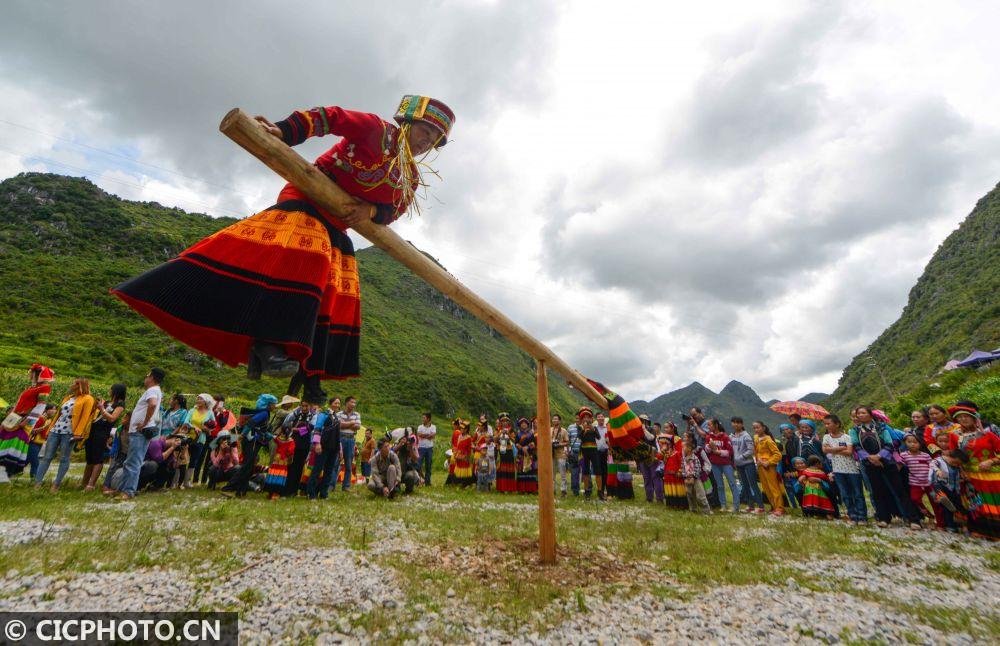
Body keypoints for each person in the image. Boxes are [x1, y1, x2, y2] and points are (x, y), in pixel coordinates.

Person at [113, 96, 455, 405]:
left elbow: (395, 210)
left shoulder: (410, 176)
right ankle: (267, 343)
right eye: (424, 131)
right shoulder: (376, 130)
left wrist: (372, 211)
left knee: (340, 291)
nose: (426, 142)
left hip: (336, 226)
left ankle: (310, 374)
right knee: (309, 261)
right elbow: (329, 117)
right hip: (305, 202)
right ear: (407, 122)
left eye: (433, 140)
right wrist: (284, 131)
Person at [850, 406, 918, 528]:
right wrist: (870, 458)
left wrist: (879, 456)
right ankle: (884, 518)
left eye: (863, 413)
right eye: (858, 413)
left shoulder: (881, 427)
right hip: (869, 463)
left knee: (899, 489)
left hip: (887, 461)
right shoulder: (855, 430)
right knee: (877, 491)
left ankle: (913, 519)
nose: (860, 415)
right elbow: (856, 446)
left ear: (870, 414)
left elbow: (889, 443)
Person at [947, 402, 1000, 539]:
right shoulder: (954, 436)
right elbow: (954, 456)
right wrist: (960, 470)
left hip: (991, 476)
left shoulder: (988, 435)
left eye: (966, 416)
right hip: (969, 476)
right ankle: (982, 531)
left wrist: (991, 461)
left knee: (994, 502)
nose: (963, 419)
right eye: (960, 417)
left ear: (974, 418)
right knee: (977, 504)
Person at [34, 378, 96, 492]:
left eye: (74, 383)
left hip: (69, 432)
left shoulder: (88, 399)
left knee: (64, 458)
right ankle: (37, 483)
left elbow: (85, 417)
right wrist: (49, 429)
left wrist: (78, 434)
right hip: (56, 430)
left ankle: (56, 485)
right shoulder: (68, 397)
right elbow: (58, 414)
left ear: (80, 385)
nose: (72, 385)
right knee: (46, 457)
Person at [0, 364, 55, 482]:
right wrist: (7, 421)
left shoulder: (45, 388)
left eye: (32, 373)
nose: (30, 374)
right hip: (15, 418)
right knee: (4, 442)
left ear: (38, 375)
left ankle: (7, 474)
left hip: (24, 421)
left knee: (12, 446)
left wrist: (25, 422)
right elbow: (18, 405)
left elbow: (40, 407)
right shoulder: (32, 388)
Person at [116, 368, 164, 500]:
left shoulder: (152, 390)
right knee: (130, 462)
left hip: (140, 432)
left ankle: (128, 491)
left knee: (133, 462)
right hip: (139, 432)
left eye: (147, 375)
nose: (145, 378)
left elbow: (152, 404)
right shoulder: (156, 390)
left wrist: (145, 422)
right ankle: (122, 488)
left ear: (152, 377)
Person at [229, 394, 278, 497]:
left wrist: (272, 436)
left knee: (249, 466)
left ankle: (242, 490)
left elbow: (261, 429)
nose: (275, 406)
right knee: (247, 465)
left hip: (253, 441)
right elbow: (250, 423)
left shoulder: (265, 413)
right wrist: (242, 435)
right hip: (252, 441)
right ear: (268, 404)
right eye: (274, 404)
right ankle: (233, 487)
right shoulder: (264, 413)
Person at [822, 414, 866, 525]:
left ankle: (862, 517)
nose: (826, 426)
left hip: (852, 469)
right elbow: (825, 450)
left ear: (837, 424)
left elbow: (849, 452)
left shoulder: (847, 437)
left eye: (828, 423)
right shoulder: (826, 437)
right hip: (837, 470)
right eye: (825, 424)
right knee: (845, 494)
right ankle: (852, 516)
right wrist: (841, 448)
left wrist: (832, 449)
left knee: (857, 493)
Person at [82, 384, 126, 492]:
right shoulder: (106, 402)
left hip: (102, 432)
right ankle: (84, 483)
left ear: (116, 391)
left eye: (111, 389)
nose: (109, 390)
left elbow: (112, 418)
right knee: (90, 458)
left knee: (98, 458)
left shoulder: (120, 405)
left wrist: (102, 409)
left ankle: (91, 485)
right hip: (92, 430)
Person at [178, 394, 216, 488]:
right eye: (197, 399)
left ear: (206, 401)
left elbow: (213, 426)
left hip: (200, 439)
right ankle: (178, 481)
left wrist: (206, 429)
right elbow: (186, 422)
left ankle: (187, 482)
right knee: (183, 458)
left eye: (200, 399)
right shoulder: (192, 410)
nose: (198, 400)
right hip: (188, 437)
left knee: (194, 460)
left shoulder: (210, 413)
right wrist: (194, 427)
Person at [305, 401, 341, 499]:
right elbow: (317, 429)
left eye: (338, 403)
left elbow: (338, 433)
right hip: (323, 446)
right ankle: (311, 493)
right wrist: (317, 443)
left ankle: (323, 493)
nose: (337, 405)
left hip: (333, 447)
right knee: (317, 469)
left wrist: (339, 448)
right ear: (330, 404)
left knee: (329, 471)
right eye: (335, 403)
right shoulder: (323, 415)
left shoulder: (336, 417)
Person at [705, 418, 740, 512]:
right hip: (714, 464)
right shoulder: (709, 437)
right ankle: (723, 505)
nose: (708, 427)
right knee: (719, 485)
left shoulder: (725, 437)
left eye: (709, 425)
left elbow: (730, 452)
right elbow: (707, 450)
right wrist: (709, 446)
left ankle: (736, 506)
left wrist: (719, 452)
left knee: (732, 484)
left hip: (726, 464)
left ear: (716, 425)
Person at [899, 433, 935, 523]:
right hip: (915, 483)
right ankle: (929, 515)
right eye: (909, 442)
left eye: (915, 442)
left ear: (920, 443)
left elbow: (933, 466)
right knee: (915, 500)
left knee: (935, 501)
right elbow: (899, 465)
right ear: (905, 443)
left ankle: (940, 522)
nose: (912, 444)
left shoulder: (926, 455)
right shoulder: (904, 455)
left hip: (929, 483)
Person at [282, 400, 314, 497]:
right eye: (302, 406)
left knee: (299, 467)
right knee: (290, 466)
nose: (304, 408)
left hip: (304, 445)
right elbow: (285, 424)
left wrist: (296, 430)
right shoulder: (295, 414)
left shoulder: (313, 416)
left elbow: (310, 428)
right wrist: (292, 429)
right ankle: (287, 489)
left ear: (310, 406)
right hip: (292, 444)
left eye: (306, 406)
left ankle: (294, 490)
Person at [731, 417, 763, 513]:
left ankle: (761, 507)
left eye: (738, 423)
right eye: (734, 422)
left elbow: (751, 450)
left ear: (742, 424)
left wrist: (740, 457)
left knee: (753, 484)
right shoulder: (731, 436)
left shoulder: (746, 436)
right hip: (738, 465)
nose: (736, 424)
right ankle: (750, 506)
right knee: (744, 485)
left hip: (748, 464)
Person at [753, 422, 785, 516]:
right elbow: (756, 451)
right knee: (766, 487)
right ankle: (773, 507)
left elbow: (778, 454)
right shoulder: (756, 438)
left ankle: (779, 508)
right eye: (754, 428)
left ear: (763, 428)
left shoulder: (768, 440)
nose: (756, 430)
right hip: (760, 466)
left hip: (769, 467)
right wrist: (757, 460)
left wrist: (768, 462)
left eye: (758, 427)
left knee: (773, 487)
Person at [336, 396, 361, 491]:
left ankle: (346, 486)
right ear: (346, 403)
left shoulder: (357, 414)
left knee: (349, 464)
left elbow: (358, 427)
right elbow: (339, 425)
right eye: (352, 402)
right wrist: (352, 423)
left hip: (351, 440)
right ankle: (331, 485)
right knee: (336, 462)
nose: (353, 404)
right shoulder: (339, 414)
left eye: (354, 402)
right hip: (340, 439)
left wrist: (345, 424)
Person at [682, 433, 711, 515]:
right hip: (687, 479)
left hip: (696, 479)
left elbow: (698, 468)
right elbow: (683, 468)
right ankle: (693, 509)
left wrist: (693, 477)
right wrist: (685, 477)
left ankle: (705, 510)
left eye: (684, 447)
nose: (683, 449)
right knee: (689, 494)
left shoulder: (695, 458)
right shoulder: (684, 459)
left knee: (700, 495)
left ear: (689, 448)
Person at [636, 414, 662, 503]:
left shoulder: (651, 429)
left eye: (642, 420)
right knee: (646, 478)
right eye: (639, 420)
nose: (640, 422)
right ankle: (649, 498)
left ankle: (659, 498)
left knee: (655, 477)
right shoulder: (637, 431)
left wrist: (644, 429)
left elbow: (651, 438)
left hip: (652, 455)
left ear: (646, 421)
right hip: (642, 456)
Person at [26, 405, 57, 480]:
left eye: (55, 410)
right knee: (35, 463)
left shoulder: (49, 419)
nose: (54, 411)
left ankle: (10, 473)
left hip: (40, 443)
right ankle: (34, 480)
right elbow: (32, 431)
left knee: (26, 461)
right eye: (52, 409)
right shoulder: (41, 418)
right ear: (46, 410)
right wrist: (44, 427)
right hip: (33, 443)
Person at [578, 412, 602, 500]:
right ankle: (587, 491)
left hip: (594, 451)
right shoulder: (581, 428)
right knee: (586, 471)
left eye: (588, 417)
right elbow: (579, 437)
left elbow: (598, 437)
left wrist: (593, 429)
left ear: (591, 419)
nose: (586, 419)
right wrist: (584, 430)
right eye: (584, 417)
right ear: (582, 419)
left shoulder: (594, 427)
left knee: (598, 471)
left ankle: (600, 492)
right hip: (584, 451)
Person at [661, 435, 686, 509]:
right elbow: (659, 457)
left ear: (671, 444)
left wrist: (680, 471)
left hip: (676, 475)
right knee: (670, 489)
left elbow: (681, 462)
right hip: (667, 475)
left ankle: (680, 505)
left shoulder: (677, 453)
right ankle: (671, 504)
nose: (666, 445)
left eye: (667, 443)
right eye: (665, 444)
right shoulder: (666, 454)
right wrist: (663, 450)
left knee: (678, 489)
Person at [779, 423, 800, 510]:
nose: (786, 431)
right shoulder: (787, 442)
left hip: (796, 466)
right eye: (783, 430)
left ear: (792, 429)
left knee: (797, 487)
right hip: (789, 467)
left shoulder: (796, 440)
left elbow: (796, 455)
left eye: (787, 429)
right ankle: (794, 506)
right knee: (789, 486)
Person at [495, 414, 517, 494]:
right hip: (500, 451)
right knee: (501, 468)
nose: (504, 422)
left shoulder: (511, 430)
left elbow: (514, 440)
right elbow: (494, 439)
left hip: (509, 450)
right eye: (503, 421)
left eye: (506, 421)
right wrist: (500, 433)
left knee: (509, 467)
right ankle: (502, 487)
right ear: (500, 422)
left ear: (508, 422)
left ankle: (510, 488)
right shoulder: (498, 430)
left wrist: (508, 435)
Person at [515, 418, 538, 494]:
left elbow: (533, 443)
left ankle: (530, 489)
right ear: (520, 425)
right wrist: (521, 448)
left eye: (525, 423)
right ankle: (522, 489)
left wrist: (527, 447)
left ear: (527, 425)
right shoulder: (518, 434)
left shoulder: (531, 434)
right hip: (521, 454)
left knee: (530, 471)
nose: (523, 425)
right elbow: (516, 443)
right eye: (522, 423)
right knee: (521, 471)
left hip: (529, 454)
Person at [449, 421, 474, 488]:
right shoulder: (459, 436)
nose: (461, 429)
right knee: (458, 468)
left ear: (466, 429)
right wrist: (456, 453)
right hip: (458, 455)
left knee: (464, 470)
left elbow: (469, 449)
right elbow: (457, 446)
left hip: (465, 456)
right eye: (461, 428)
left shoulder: (468, 438)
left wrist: (467, 457)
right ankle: (457, 483)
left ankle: (465, 484)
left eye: (463, 428)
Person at [565, 409, 584, 496]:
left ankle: (588, 490)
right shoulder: (570, 427)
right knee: (574, 472)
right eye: (576, 418)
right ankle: (575, 490)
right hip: (574, 452)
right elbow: (568, 440)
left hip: (583, 453)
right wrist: (568, 451)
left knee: (585, 471)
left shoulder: (585, 427)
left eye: (579, 418)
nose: (577, 420)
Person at [551, 414, 570, 497]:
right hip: (552, 454)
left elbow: (567, 442)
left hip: (561, 454)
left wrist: (559, 444)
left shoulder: (563, 430)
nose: (555, 420)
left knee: (562, 474)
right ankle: (552, 490)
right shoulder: (549, 430)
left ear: (559, 421)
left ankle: (564, 491)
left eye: (556, 419)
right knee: (552, 474)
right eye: (553, 419)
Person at [416, 412, 436, 487]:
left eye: (424, 418)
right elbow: (419, 435)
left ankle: (427, 482)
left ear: (428, 419)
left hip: (429, 448)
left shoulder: (433, 427)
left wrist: (423, 436)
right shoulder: (420, 427)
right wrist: (428, 435)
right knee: (418, 465)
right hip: (421, 448)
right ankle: (418, 481)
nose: (423, 419)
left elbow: (432, 436)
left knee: (428, 465)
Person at [594, 411, 610, 499]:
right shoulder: (594, 428)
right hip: (596, 452)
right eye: (599, 417)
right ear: (596, 419)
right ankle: (600, 490)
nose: (600, 418)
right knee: (598, 472)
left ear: (604, 418)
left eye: (602, 417)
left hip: (606, 452)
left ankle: (606, 490)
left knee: (605, 471)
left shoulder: (607, 428)